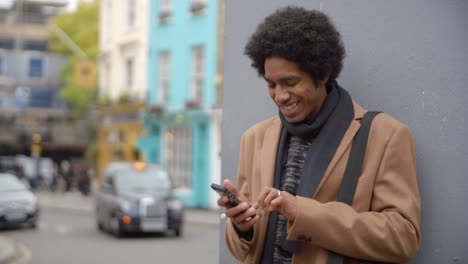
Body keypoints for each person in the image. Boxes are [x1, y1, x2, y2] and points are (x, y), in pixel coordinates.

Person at [217, 6, 421, 264]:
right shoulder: (254, 139)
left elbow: (403, 238)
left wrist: (302, 212)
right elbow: (243, 250)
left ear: (323, 73)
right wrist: (241, 227)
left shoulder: (386, 135)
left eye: (290, 82)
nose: (279, 96)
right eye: (271, 84)